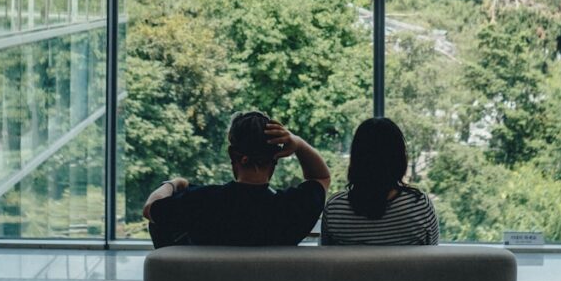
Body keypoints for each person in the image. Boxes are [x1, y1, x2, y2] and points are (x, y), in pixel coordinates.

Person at [143, 110, 330, 247]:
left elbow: (150, 210)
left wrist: (173, 184)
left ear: (233, 154)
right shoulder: (293, 208)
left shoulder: (199, 202)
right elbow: (321, 176)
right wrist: (297, 143)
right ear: (276, 156)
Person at [321, 117, 439, 245]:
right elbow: (432, 255)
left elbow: (327, 259)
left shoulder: (335, 208)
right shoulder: (419, 205)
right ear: (398, 160)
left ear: (356, 159)